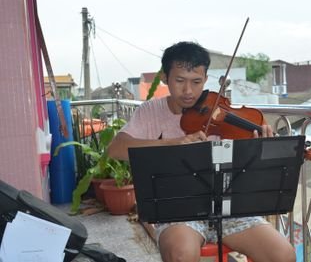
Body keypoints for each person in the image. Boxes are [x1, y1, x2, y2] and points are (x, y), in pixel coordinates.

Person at [107, 41, 296, 262]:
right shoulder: (151, 111)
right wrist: (174, 144)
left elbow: (252, 169)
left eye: (196, 82)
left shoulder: (219, 111)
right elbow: (115, 149)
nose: (188, 91)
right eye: (179, 81)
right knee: (181, 253)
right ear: (166, 78)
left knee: (283, 254)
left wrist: (263, 146)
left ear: (205, 79)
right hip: (178, 211)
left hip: (229, 210)